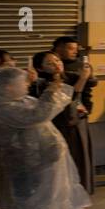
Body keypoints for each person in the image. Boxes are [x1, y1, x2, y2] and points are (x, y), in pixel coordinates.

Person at [0, 65, 90, 209]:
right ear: (8, 87)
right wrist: (50, 92)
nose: (26, 85)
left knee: (44, 192)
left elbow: (47, 108)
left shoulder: (19, 99)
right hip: (27, 158)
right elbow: (39, 114)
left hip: (41, 155)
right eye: (22, 82)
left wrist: (54, 89)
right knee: (28, 195)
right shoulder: (4, 107)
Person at [34, 38, 97, 193]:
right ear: (40, 68)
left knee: (80, 159)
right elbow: (68, 100)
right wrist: (82, 78)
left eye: (57, 60)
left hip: (78, 122)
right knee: (60, 165)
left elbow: (91, 84)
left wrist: (88, 74)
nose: (57, 64)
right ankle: (64, 197)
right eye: (50, 63)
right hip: (59, 126)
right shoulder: (41, 84)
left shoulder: (69, 74)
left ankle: (80, 193)